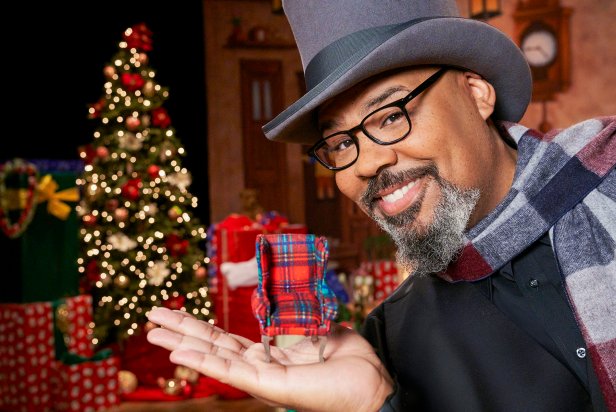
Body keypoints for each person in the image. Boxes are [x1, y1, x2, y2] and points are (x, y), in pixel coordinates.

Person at [146, 0, 615, 410]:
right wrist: (374, 405)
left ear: (476, 93)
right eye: (339, 141)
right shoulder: (391, 342)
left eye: (392, 114)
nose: (365, 164)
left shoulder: (606, 186)